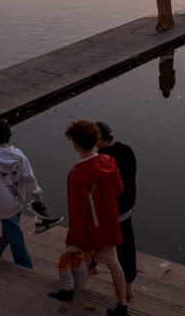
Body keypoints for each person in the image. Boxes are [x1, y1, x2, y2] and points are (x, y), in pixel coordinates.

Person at [50, 120, 128, 316]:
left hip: (89, 230)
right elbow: (119, 189)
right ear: (95, 141)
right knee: (113, 263)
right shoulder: (110, 162)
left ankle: (68, 291)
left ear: (75, 145)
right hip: (109, 225)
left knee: (78, 259)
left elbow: (77, 212)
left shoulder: (77, 174)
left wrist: (72, 241)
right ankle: (122, 305)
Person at [0, 119, 57, 269]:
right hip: (18, 199)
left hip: (3, 204)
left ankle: (26, 266)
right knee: (12, 227)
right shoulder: (20, 156)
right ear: (9, 136)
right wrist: (37, 196)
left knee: (15, 236)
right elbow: (30, 178)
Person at [96, 122, 138, 303]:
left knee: (111, 255)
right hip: (127, 208)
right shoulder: (127, 150)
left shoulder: (100, 160)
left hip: (111, 213)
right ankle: (129, 290)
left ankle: (120, 296)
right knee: (127, 249)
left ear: (98, 139)